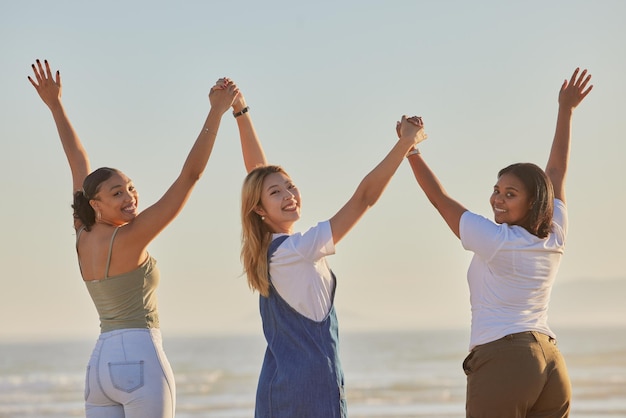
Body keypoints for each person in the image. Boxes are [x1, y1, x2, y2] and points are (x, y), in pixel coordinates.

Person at [28, 59, 239, 418]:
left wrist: (56, 105)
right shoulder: (130, 238)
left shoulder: (82, 232)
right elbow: (190, 177)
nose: (130, 198)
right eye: (117, 194)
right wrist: (216, 112)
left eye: (131, 188)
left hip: (100, 367)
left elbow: (77, 160)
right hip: (141, 358)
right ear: (96, 203)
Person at [214, 78, 427, 417]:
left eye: (290, 186)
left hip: (286, 390)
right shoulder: (297, 250)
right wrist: (405, 144)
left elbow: (258, 174)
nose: (289, 195)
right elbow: (364, 198)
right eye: (277, 193)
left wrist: (241, 112)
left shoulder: (276, 249)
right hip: (306, 395)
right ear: (259, 209)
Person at [405, 68, 593, 417]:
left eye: (510, 194)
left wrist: (410, 149)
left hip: (506, 361)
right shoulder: (555, 234)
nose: (498, 199)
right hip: (551, 363)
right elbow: (555, 173)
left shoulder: (497, 241)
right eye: (496, 190)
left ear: (531, 202)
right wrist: (565, 111)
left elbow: (440, 200)